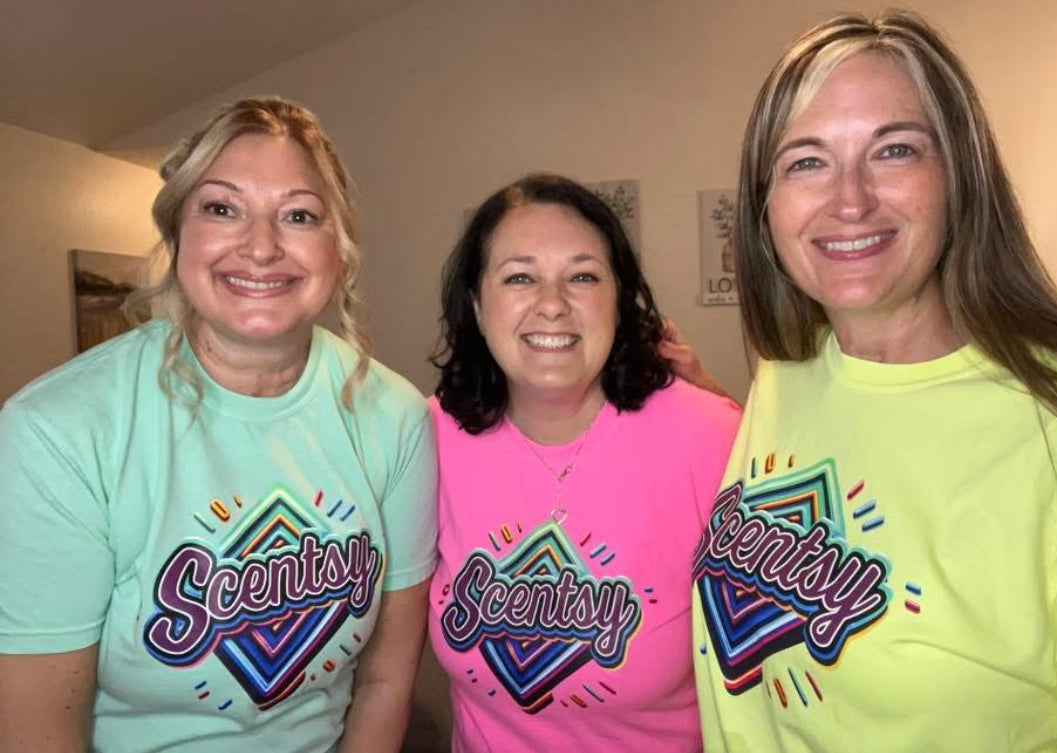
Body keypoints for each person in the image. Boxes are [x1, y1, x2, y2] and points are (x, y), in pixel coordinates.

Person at [691, 10, 1057, 752]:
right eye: (806, 161)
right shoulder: (788, 371)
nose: (849, 200)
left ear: (959, 177)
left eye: (894, 150)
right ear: (764, 206)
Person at [0, 97, 436, 752]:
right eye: (222, 208)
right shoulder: (57, 431)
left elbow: (385, 679)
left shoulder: (395, 416)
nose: (261, 246)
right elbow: (38, 729)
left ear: (339, 248)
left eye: (299, 215)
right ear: (178, 232)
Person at [428, 173, 741, 752]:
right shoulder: (425, 439)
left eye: (583, 277)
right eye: (519, 277)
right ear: (475, 303)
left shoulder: (710, 436)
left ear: (619, 300)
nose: (552, 304)